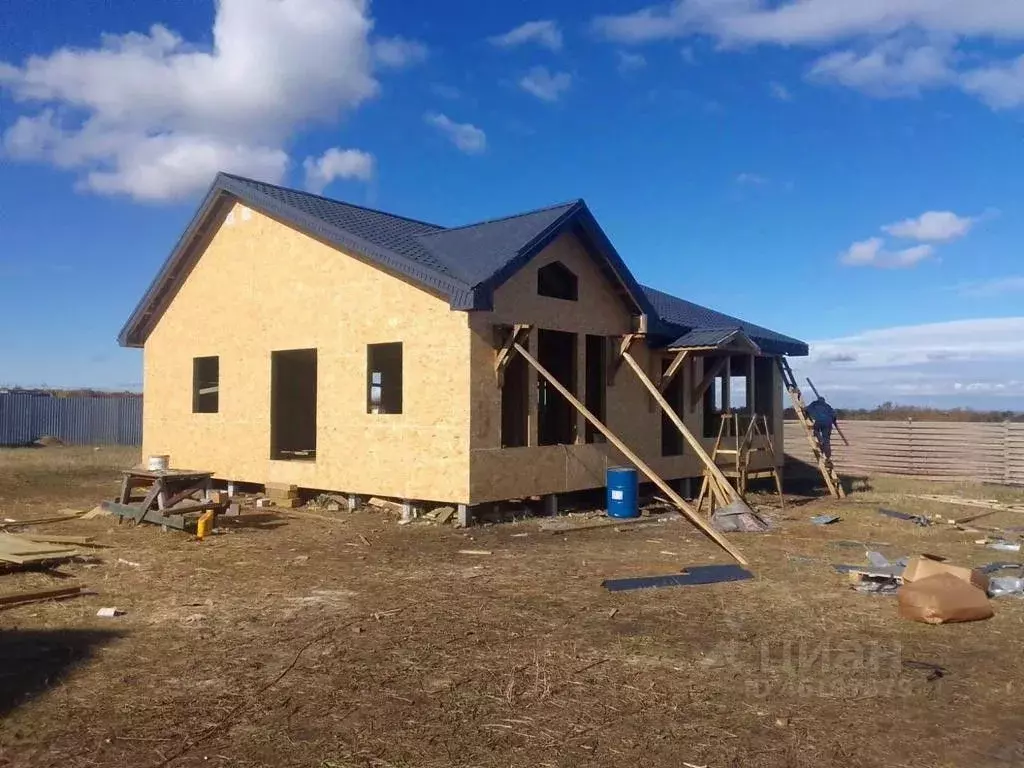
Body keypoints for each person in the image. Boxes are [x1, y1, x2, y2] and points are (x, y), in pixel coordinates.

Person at [805, 396, 837, 460]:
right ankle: (828, 456)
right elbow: (834, 414)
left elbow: (807, 409)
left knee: (816, 430)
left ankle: (820, 440)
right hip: (828, 423)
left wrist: (804, 410)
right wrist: (833, 421)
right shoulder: (827, 406)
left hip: (819, 421)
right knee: (827, 440)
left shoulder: (815, 403)